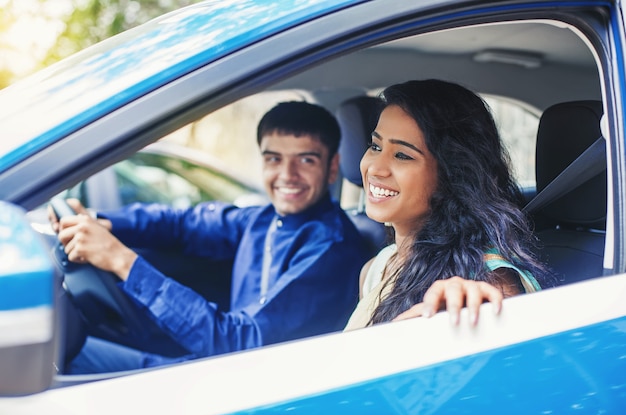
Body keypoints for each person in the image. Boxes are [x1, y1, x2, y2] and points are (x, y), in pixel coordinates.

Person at [52, 101, 370, 373]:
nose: (287, 175)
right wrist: (98, 221)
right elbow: (184, 224)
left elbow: (240, 345)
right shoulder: (264, 219)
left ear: (332, 168)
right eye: (274, 159)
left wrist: (121, 260)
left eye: (306, 160)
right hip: (212, 365)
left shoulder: (330, 250)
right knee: (65, 352)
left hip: (247, 385)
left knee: (61, 362)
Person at [344, 79, 553, 331]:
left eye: (402, 155)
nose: (375, 167)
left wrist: (469, 304)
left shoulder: (486, 280)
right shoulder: (377, 268)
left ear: (451, 174)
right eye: (375, 146)